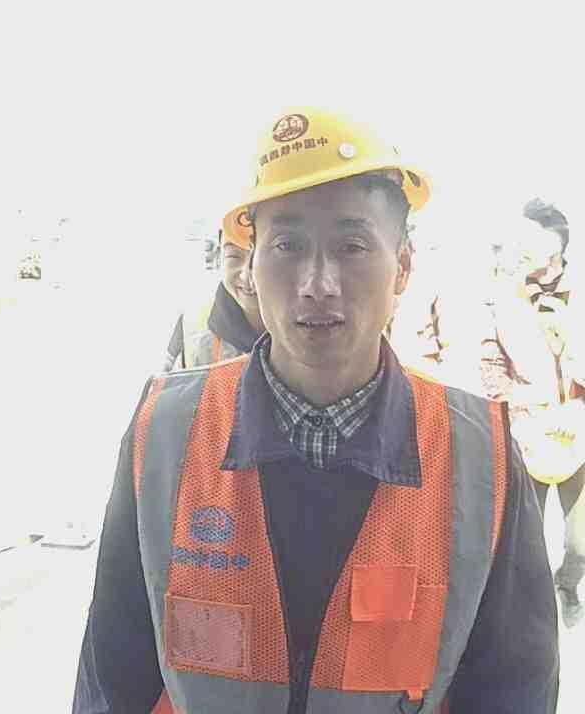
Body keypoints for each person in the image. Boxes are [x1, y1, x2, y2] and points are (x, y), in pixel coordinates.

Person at [73, 108, 558, 714]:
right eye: (287, 246)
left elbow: (516, 688)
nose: (317, 283)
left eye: (352, 247)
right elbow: (111, 675)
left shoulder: (477, 457)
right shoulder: (165, 431)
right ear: (249, 266)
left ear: (403, 266)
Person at [481, 197, 585, 628]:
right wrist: (521, 412)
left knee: (580, 543)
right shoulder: (503, 299)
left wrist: (578, 408)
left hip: (579, 435)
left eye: (530, 238)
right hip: (528, 438)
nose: (520, 246)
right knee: (525, 542)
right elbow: (491, 365)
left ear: (557, 244)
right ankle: (532, 615)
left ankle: (568, 583)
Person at [163, 233, 264, 370]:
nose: (247, 276)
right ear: (219, 257)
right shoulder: (191, 323)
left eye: (262, 258)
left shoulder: (295, 331)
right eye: (234, 256)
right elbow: (165, 380)